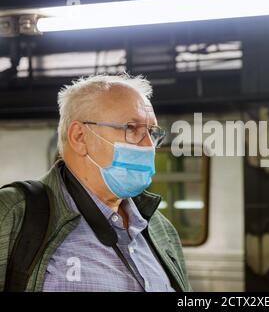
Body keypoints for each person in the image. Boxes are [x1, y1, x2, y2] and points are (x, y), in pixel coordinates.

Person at [0, 73, 192, 292]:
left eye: (151, 132)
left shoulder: (160, 228)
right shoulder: (14, 213)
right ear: (80, 137)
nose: (149, 144)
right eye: (131, 128)